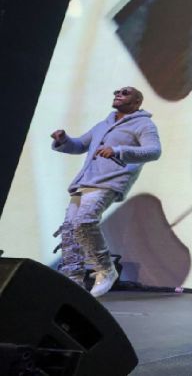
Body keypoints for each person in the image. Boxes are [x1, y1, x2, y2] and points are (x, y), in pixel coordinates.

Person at [50, 86, 162, 297]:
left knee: (84, 221)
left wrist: (118, 151)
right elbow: (79, 145)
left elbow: (154, 151)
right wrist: (63, 139)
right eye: (116, 92)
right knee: (70, 230)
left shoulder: (144, 124)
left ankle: (105, 269)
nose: (118, 94)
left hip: (109, 181)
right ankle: (73, 279)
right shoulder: (103, 124)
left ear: (137, 102)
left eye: (125, 92)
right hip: (85, 181)